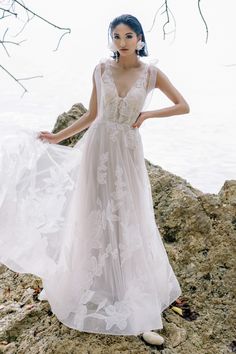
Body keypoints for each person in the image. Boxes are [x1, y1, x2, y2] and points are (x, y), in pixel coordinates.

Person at [0, 14, 190, 345]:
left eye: (128, 35)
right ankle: (79, 285)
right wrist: (58, 137)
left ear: (140, 39)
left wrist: (146, 114)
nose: (122, 41)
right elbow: (92, 115)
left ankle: (138, 303)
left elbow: (182, 106)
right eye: (116, 35)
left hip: (127, 149)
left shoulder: (152, 73)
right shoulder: (101, 69)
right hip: (98, 147)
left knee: (129, 216)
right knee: (92, 213)